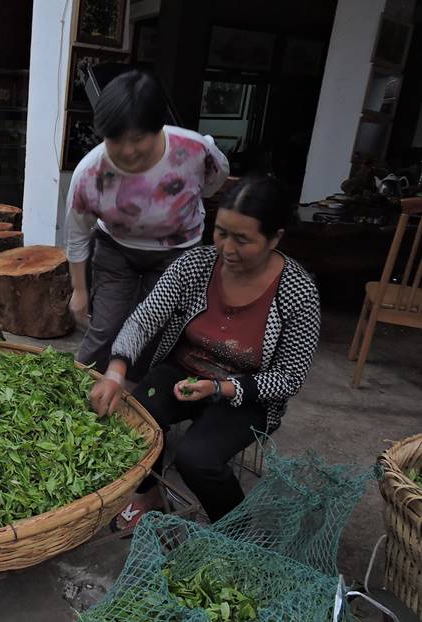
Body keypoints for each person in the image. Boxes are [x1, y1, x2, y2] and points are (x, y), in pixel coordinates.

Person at [89, 175, 321, 527]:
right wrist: (115, 371)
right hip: (183, 370)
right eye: (221, 232)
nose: (227, 248)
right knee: (133, 422)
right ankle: (148, 493)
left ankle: (235, 531)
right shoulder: (194, 266)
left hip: (248, 394)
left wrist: (220, 388)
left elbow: (290, 377)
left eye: (243, 239)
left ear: (275, 239)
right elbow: (144, 319)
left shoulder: (297, 292)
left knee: (197, 458)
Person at [66, 70, 229, 384]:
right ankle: (71, 394)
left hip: (177, 254)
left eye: (138, 139)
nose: (127, 151)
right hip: (116, 249)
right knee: (105, 328)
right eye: (115, 140)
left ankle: (137, 401)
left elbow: (213, 182)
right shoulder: (90, 173)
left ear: (158, 128)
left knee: (155, 331)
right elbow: (76, 234)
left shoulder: (194, 150)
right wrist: (79, 290)